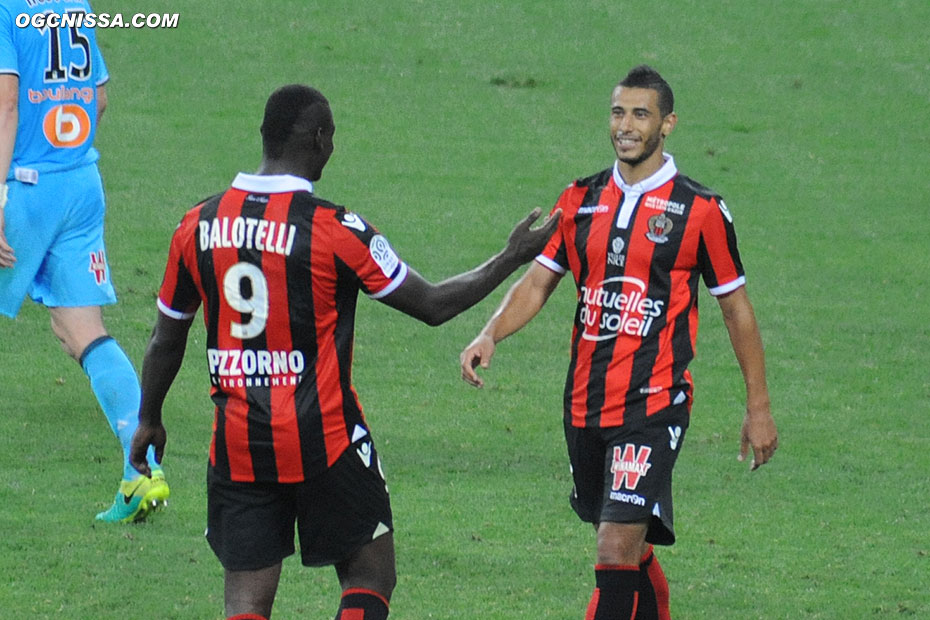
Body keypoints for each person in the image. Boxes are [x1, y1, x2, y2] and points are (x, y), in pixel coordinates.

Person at [128, 83, 559, 620]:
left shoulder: (196, 225)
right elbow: (431, 304)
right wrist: (510, 256)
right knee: (370, 574)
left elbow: (167, 336)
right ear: (318, 137)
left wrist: (148, 417)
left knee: (245, 600)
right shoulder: (334, 228)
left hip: (239, 444)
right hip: (326, 439)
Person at [460, 65, 778, 619]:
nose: (625, 126)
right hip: (584, 403)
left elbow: (736, 310)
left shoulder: (700, 211)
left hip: (653, 405)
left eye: (640, 114)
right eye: (617, 112)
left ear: (668, 124)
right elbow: (539, 281)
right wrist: (491, 332)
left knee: (612, 550)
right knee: (630, 547)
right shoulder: (580, 198)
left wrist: (759, 408)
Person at [0, 1, 168, 522]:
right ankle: (142, 473)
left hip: (24, 191)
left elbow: (6, 103)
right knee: (82, 332)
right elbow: (96, 100)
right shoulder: (73, 6)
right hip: (80, 185)